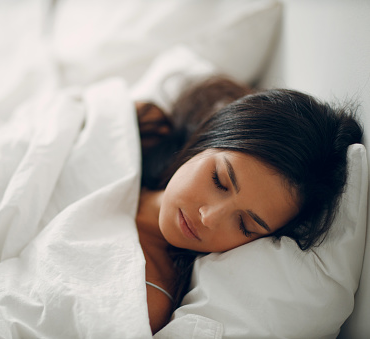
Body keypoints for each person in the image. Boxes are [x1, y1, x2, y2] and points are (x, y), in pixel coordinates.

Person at [134, 76, 363, 334]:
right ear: (211, 136)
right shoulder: (141, 128)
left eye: (245, 224)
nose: (209, 217)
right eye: (219, 181)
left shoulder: (145, 298)